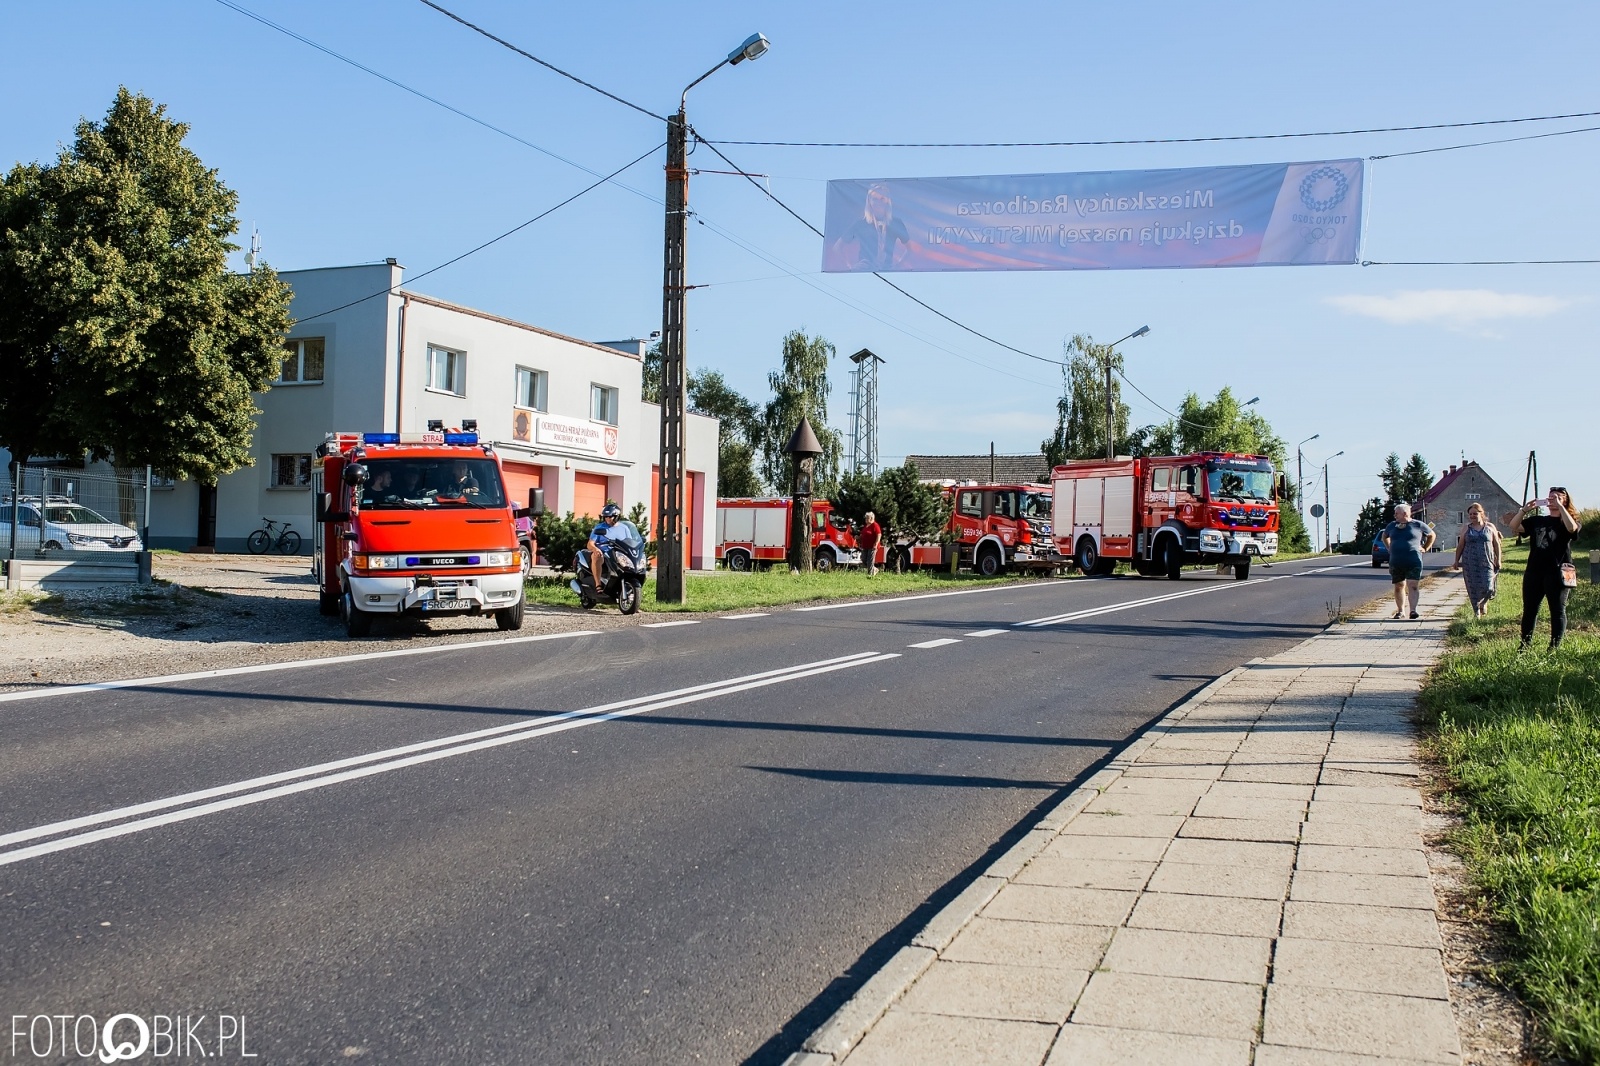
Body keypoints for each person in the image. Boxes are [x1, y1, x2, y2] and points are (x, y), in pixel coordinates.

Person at [1504, 487, 1582, 650]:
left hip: (1560, 572)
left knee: (1558, 610)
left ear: (1565, 500)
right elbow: (1514, 526)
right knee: (1530, 610)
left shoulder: (1570, 520)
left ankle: (1554, 647)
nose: (1553, 500)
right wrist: (1524, 510)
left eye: (1557, 497)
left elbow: (1571, 529)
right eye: (1550, 497)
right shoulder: (1537, 521)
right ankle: (1524, 646)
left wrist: (1561, 507)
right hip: (1534, 571)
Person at [1381, 503, 1436, 619]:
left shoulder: (1418, 525)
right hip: (1396, 561)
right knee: (1399, 585)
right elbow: (1384, 536)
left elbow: (1432, 535)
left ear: (1405, 513)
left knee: (1413, 585)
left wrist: (1425, 548)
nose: (1395, 515)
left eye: (1397, 513)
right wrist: (1389, 547)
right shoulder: (1392, 526)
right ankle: (1401, 611)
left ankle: (1413, 610)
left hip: (1413, 560)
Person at [1452, 503, 1502, 618]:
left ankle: (1483, 603)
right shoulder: (1466, 528)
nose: (1472, 516)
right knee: (1472, 587)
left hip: (1487, 561)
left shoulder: (1490, 527)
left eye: (1475, 513)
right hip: (1470, 562)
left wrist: (1498, 560)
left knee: (1489, 587)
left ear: (1481, 513)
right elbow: (1460, 545)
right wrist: (1456, 560)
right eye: (1470, 514)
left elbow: (1496, 545)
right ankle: (1476, 612)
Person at [586, 503, 623, 589]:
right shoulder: (599, 527)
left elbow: (630, 541)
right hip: (604, 552)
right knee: (597, 556)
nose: (607, 519)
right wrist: (595, 549)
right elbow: (590, 544)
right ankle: (598, 584)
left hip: (619, 552)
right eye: (606, 517)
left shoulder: (624, 528)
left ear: (617, 516)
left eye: (610, 516)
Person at [859, 511, 882, 577]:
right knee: (863, 559)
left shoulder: (875, 525)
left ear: (871, 518)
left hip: (872, 546)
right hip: (865, 546)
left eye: (867, 518)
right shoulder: (866, 526)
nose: (866, 519)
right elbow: (863, 535)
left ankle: (870, 575)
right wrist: (858, 537)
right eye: (866, 518)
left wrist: (876, 543)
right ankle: (874, 569)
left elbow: (879, 534)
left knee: (870, 561)